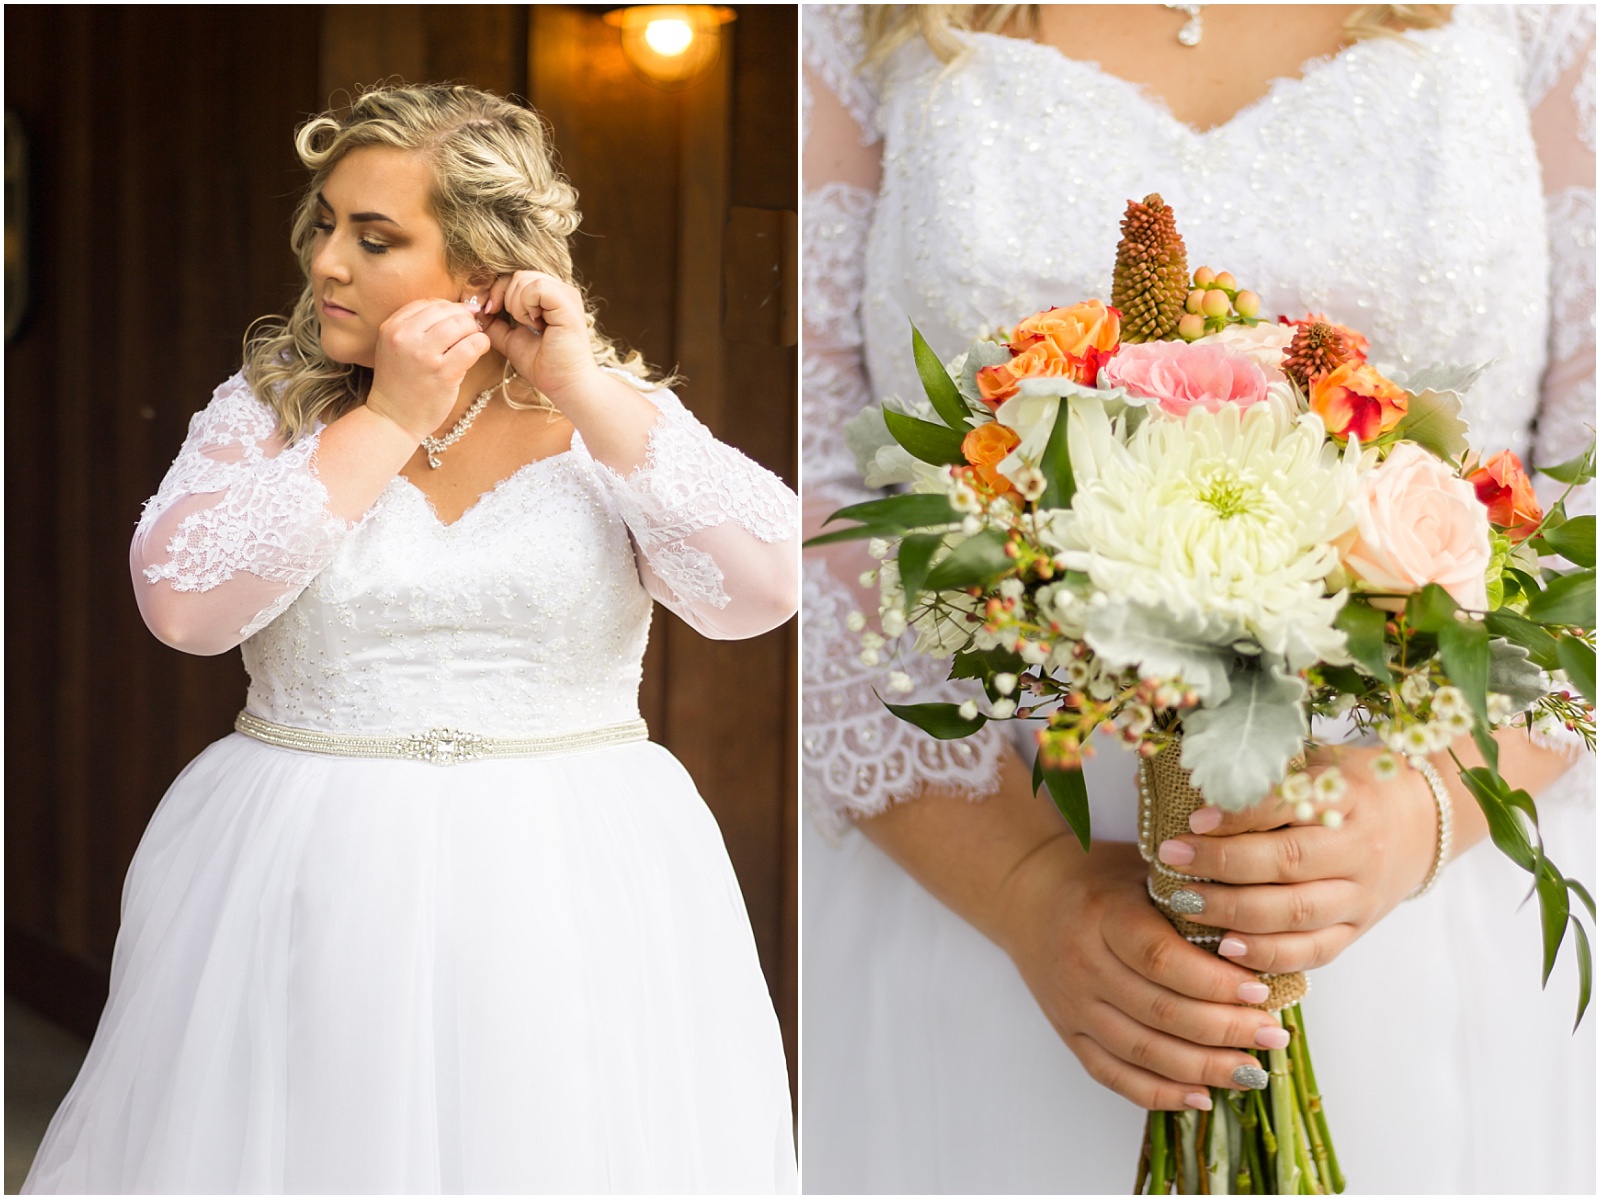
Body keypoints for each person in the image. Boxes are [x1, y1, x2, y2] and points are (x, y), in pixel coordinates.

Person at [801, 4, 1594, 1193]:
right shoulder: (854, 25)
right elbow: (805, 477)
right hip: (992, 840)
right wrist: (1026, 886)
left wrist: (1426, 802)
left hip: (1431, 850)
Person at [24, 83, 799, 1194]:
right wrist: (384, 419)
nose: (327, 261)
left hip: (574, 874)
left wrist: (578, 382)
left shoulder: (606, 418)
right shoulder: (272, 408)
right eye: (327, 223)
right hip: (297, 869)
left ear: (488, 266)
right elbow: (186, 607)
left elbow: (757, 586)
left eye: (374, 237)